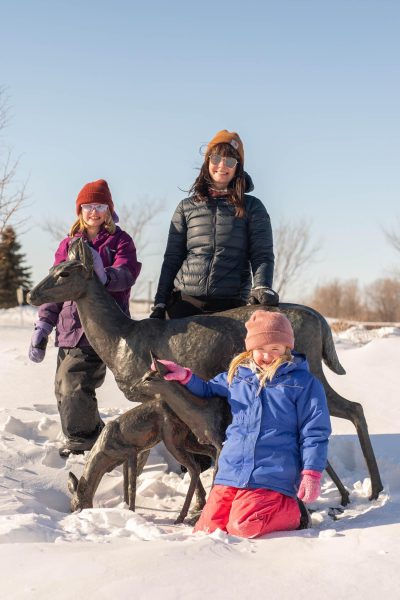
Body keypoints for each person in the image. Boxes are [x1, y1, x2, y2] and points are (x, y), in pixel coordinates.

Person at [153, 310, 331, 539]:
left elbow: (315, 431)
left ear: (287, 348)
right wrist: (184, 375)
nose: (267, 356)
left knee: (243, 526)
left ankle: (293, 512)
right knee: (207, 529)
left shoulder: (302, 383)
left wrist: (312, 473)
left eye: (275, 349)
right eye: (260, 350)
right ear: (250, 349)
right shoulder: (238, 375)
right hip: (232, 470)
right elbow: (208, 389)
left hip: (272, 475)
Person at [28, 179, 142, 457]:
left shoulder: (120, 241)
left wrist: (106, 274)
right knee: (63, 389)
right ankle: (96, 436)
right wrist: (44, 324)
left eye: (99, 206)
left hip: (101, 329)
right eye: (88, 206)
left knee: (74, 384)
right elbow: (58, 285)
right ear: (80, 210)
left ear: (108, 209)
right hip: (69, 329)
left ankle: (85, 443)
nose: (94, 212)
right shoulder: (68, 244)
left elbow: (127, 273)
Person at [150, 129, 278, 320]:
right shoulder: (186, 207)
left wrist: (261, 286)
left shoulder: (252, 207)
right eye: (216, 158)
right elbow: (172, 258)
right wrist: (160, 301)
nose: (221, 165)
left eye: (230, 161)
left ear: (237, 167)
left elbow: (262, 255)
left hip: (231, 305)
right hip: (185, 302)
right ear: (208, 161)